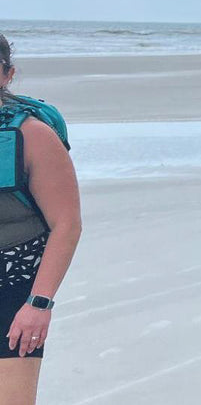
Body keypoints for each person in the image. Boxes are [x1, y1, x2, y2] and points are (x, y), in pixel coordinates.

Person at [0, 33, 82, 405]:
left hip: (13, 290)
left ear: (7, 75)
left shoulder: (31, 135)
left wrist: (39, 304)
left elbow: (67, 224)